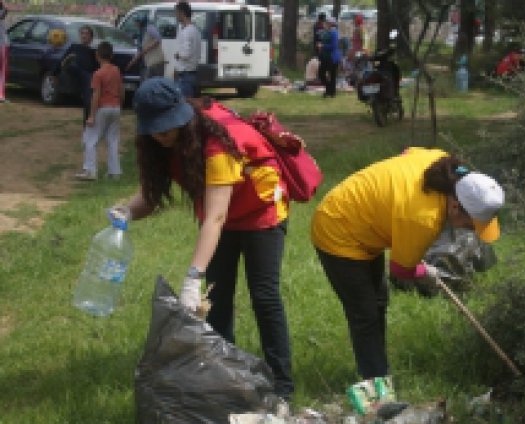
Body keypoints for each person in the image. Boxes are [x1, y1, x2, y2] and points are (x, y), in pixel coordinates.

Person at [111, 77, 294, 401]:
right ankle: (223, 375)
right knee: (218, 298)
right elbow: (151, 196)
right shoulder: (160, 144)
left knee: (264, 297)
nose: (160, 135)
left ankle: (282, 385)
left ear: (181, 115)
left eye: (166, 128)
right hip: (222, 213)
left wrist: (192, 277)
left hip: (260, 211)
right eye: (154, 129)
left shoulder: (216, 143)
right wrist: (126, 212)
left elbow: (215, 217)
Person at [311, 147, 504, 380]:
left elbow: (407, 153)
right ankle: (377, 384)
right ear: (455, 206)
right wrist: (427, 272)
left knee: (379, 298)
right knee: (365, 313)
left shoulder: (442, 164)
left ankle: (376, 370)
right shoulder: (424, 219)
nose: (470, 230)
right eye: (471, 224)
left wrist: (396, 210)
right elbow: (401, 271)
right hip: (338, 228)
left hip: (361, 216)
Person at [76, 41, 123, 181]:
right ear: (111, 55)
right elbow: (121, 89)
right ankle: (114, 172)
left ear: (97, 56)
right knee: (112, 140)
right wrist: (120, 104)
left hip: (103, 107)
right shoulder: (116, 70)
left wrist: (91, 115)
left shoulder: (98, 74)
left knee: (90, 138)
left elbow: (96, 95)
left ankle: (90, 170)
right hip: (115, 107)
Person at [61, 25, 98, 125]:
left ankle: (87, 122)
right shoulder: (74, 47)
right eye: (82, 33)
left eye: (86, 34)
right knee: (73, 66)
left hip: (87, 75)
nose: (84, 36)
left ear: (91, 37)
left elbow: (96, 67)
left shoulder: (94, 51)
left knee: (87, 78)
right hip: (75, 73)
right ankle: (67, 65)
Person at [173, 1, 201, 97]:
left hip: (185, 75)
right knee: (189, 104)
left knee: (184, 105)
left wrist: (177, 55)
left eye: (176, 13)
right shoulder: (195, 30)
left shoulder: (186, 32)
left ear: (182, 13)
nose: (176, 16)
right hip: (192, 72)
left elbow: (185, 54)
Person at [125, 15, 164, 81]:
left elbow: (158, 39)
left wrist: (147, 49)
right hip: (148, 63)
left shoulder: (149, 28)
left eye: (136, 22)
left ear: (141, 22)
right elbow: (140, 52)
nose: (135, 24)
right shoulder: (140, 34)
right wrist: (130, 64)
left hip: (156, 63)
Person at [317, 17, 341, 97]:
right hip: (325, 57)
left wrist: (323, 46)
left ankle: (331, 92)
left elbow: (334, 46)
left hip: (332, 57)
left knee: (332, 75)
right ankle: (329, 89)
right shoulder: (326, 32)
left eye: (327, 22)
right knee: (321, 73)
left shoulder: (334, 32)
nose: (326, 24)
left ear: (331, 24)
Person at [0, 0, 9, 103]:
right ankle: (1, 95)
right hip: (2, 44)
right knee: (2, 71)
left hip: (3, 44)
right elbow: (4, 12)